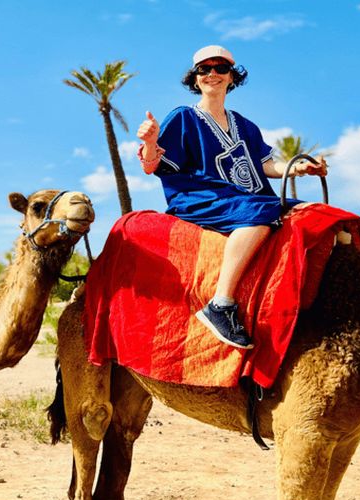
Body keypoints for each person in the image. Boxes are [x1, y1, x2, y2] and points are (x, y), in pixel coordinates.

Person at [137, 45, 327, 349]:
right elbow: (153, 166)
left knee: (315, 213)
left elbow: (265, 166)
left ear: (231, 78)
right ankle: (221, 304)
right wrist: (149, 142)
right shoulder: (183, 117)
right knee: (258, 219)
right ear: (196, 79)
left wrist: (299, 168)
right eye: (204, 69)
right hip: (198, 195)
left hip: (245, 197)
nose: (212, 74)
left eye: (220, 68)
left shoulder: (246, 126)